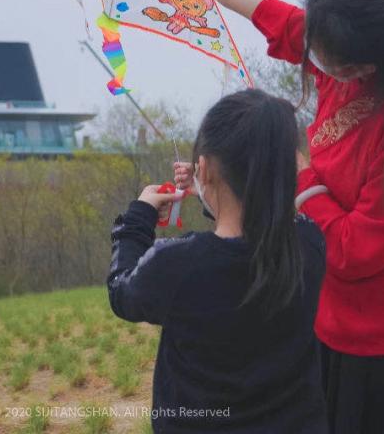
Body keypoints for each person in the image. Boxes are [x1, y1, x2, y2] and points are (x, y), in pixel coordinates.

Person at [130, 0, 384, 434]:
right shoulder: (342, 40)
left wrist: (302, 176)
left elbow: (353, 251)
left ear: (362, 69)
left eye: (325, 64)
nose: (313, 67)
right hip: (328, 324)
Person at [108, 89, 327, 433]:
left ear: (204, 168)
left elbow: (123, 291)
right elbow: (255, 229)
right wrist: (213, 191)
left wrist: (139, 217)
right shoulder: (310, 244)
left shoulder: (178, 265)